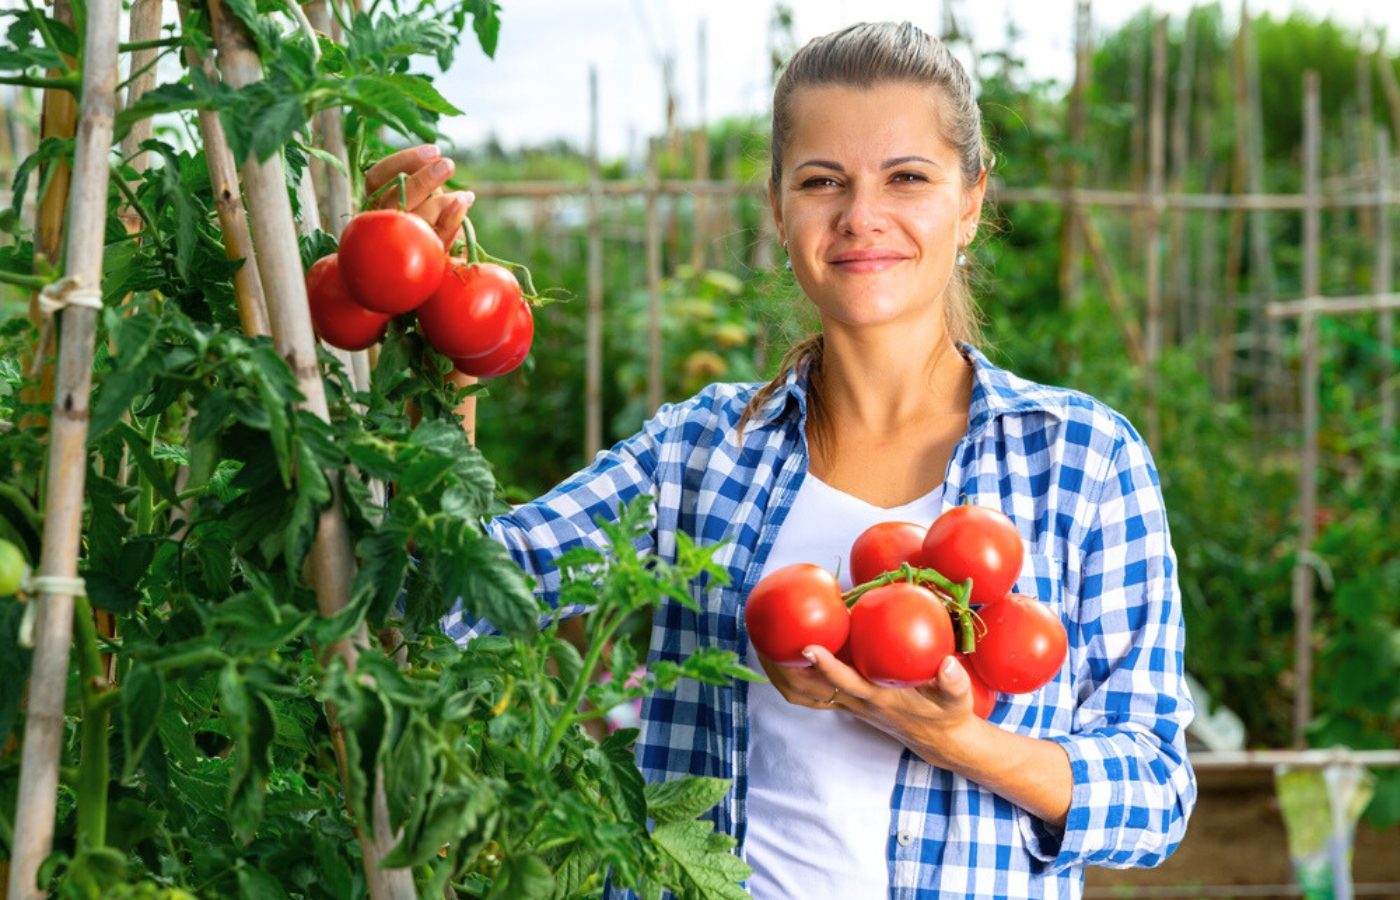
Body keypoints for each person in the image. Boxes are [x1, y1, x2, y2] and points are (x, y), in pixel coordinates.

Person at [368, 20, 1197, 899]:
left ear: (970, 202)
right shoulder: (699, 452)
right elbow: (453, 599)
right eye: (821, 181)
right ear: (778, 206)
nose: (860, 217)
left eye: (907, 177)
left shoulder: (1082, 458)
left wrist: (958, 740)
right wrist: (443, 356)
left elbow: (1154, 794)